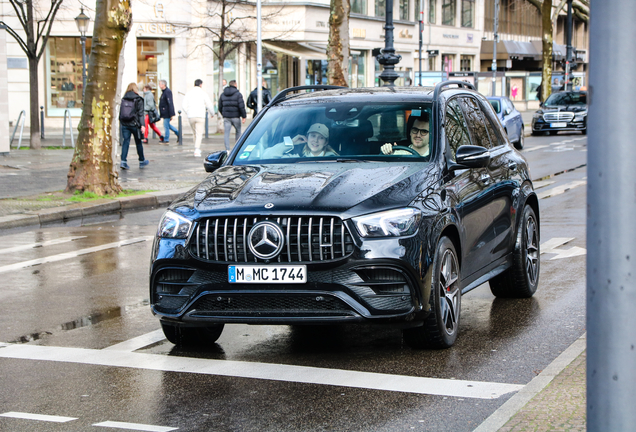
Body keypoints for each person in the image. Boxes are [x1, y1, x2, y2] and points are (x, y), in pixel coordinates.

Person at [263, 123, 338, 158]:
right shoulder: (297, 158)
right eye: (313, 136)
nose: (316, 140)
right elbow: (267, 156)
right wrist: (291, 142)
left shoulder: (335, 160)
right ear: (306, 138)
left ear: (326, 142)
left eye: (321, 137)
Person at [182, 79, 215, 157]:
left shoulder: (189, 93)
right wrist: (212, 113)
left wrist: (188, 111)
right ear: (201, 85)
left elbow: (183, 105)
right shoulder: (203, 93)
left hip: (191, 116)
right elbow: (209, 104)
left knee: (194, 133)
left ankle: (196, 147)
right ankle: (197, 149)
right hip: (200, 116)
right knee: (199, 133)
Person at [119, 83, 148, 170]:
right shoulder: (138, 99)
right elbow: (140, 114)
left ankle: (123, 161)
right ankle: (141, 161)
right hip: (135, 124)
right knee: (138, 142)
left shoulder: (124, 98)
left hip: (125, 124)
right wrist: (142, 125)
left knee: (125, 142)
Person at [218, 80, 247, 152]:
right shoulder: (238, 94)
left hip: (226, 117)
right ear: (235, 85)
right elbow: (241, 106)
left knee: (226, 133)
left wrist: (224, 114)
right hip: (236, 116)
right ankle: (237, 149)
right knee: (238, 131)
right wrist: (244, 116)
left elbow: (220, 106)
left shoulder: (223, 94)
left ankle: (227, 149)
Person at [158, 79, 179, 144]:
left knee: (166, 125)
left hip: (167, 112)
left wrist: (171, 113)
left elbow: (170, 102)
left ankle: (166, 139)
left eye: (160, 84)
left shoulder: (167, 91)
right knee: (167, 125)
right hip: (164, 112)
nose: (159, 85)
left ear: (163, 85)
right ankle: (178, 133)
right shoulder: (164, 92)